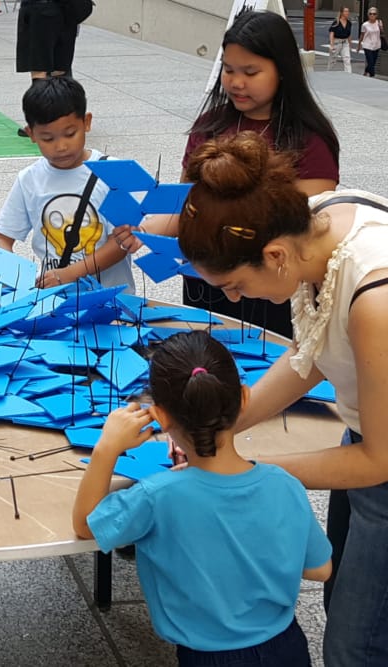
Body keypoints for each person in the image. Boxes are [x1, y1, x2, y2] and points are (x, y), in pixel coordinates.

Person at [175, 131, 388, 665]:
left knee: (355, 646)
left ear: (273, 256)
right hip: (368, 435)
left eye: (236, 286)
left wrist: (243, 471)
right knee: (345, 598)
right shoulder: (309, 227)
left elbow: (377, 460)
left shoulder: (375, 298)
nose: (232, 298)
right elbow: (313, 352)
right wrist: (223, 427)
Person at [73, 330, 332, 666]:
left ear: (161, 417)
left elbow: (85, 525)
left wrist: (107, 447)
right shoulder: (285, 484)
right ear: (243, 398)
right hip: (288, 648)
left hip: (207, 659)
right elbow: (320, 569)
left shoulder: (157, 496)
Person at [113, 10, 339, 339]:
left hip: (270, 287)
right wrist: (143, 229)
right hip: (206, 279)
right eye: (228, 69)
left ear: (283, 71)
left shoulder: (309, 139)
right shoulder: (210, 126)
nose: (236, 82)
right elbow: (188, 205)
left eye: (250, 71)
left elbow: (309, 222)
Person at [0, 77, 134, 292]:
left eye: (70, 134)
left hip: (110, 302)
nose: (61, 146)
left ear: (86, 122)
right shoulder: (29, 179)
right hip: (55, 301)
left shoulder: (111, 173)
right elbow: (0, 241)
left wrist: (69, 274)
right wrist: (23, 279)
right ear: (31, 134)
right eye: (47, 139)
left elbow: (121, 243)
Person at [359, 6, 383, 78]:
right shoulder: (364, 25)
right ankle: (372, 76)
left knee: (373, 62)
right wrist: (359, 45)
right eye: (370, 13)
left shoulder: (379, 22)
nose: (372, 15)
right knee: (371, 62)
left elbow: (382, 32)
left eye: (374, 14)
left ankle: (366, 71)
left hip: (377, 45)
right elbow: (362, 35)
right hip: (367, 45)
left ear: (377, 15)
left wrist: (381, 28)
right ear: (368, 14)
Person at [328, 6, 352, 72]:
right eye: (346, 11)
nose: (347, 13)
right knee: (332, 61)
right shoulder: (336, 22)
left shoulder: (349, 23)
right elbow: (331, 33)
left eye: (348, 11)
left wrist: (350, 45)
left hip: (345, 43)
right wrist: (331, 45)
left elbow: (349, 35)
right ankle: (328, 73)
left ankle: (349, 76)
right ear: (341, 13)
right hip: (336, 42)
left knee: (347, 60)